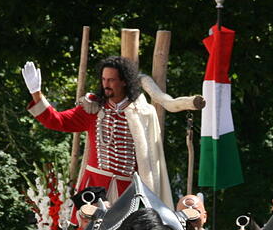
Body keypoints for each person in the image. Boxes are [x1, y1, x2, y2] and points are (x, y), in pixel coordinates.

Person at [23, 56, 200, 203]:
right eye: (103, 79)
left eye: (111, 80)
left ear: (124, 81)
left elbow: (150, 162)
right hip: (93, 188)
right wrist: (36, 94)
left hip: (127, 192)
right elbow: (58, 121)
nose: (106, 84)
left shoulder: (142, 113)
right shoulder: (92, 108)